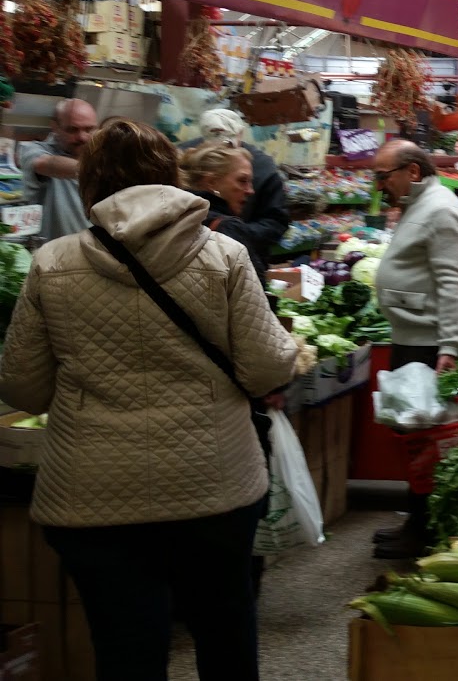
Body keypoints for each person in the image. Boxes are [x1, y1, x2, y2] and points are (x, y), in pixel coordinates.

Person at [0, 118, 299, 681]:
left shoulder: (52, 264)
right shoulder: (224, 254)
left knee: (125, 646)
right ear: (170, 175)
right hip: (215, 483)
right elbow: (265, 368)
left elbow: (23, 386)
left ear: (89, 186)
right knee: (225, 630)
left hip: (93, 492)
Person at [369, 139, 458, 558]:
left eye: (383, 175)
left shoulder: (441, 209)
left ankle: (426, 530)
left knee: (427, 443)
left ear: (412, 172)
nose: (380, 185)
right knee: (412, 437)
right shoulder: (418, 205)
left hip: (428, 345)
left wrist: (449, 345)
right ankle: (417, 520)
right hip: (411, 337)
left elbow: (451, 282)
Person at [181, 109, 290, 262]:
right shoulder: (182, 158)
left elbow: (276, 221)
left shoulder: (263, 167)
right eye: (242, 181)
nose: (249, 190)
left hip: (245, 253)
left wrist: (235, 234)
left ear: (240, 134)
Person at [180, 143, 265, 282]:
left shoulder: (174, 216)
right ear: (212, 182)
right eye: (242, 181)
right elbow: (255, 291)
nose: (251, 191)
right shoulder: (227, 227)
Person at [19, 98, 98, 242]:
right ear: (55, 127)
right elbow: (45, 164)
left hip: (92, 253)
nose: (82, 137)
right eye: (72, 130)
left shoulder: (100, 156)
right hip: (51, 256)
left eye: (89, 129)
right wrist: (102, 170)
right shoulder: (34, 150)